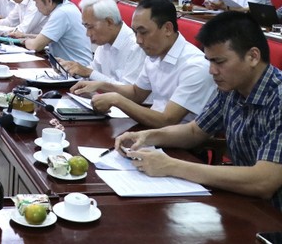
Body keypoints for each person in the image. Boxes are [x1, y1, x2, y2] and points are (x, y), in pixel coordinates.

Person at [115, 12, 282, 209]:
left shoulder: (277, 98)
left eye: (219, 62)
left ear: (253, 57)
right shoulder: (232, 88)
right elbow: (195, 131)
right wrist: (147, 136)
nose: (211, 70)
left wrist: (172, 166)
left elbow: (264, 182)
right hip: (246, 203)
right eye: (209, 61)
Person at [72, 0, 216, 127]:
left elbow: (166, 120)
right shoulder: (154, 55)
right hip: (150, 130)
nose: (138, 40)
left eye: (143, 32)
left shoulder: (195, 66)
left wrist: (116, 99)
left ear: (167, 28)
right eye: (135, 32)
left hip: (179, 145)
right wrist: (102, 85)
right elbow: (136, 93)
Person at [60, 0, 146, 84]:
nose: (87, 34)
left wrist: (88, 73)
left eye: (90, 27)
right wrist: (71, 69)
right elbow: (93, 72)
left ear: (109, 22)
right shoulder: (105, 42)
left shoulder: (136, 46)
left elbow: (129, 91)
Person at [23, 0, 92, 65]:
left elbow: (35, 46)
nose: (35, 6)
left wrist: (24, 41)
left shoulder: (62, 13)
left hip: (76, 73)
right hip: (66, 68)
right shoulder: (65, 7)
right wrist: (24, 35)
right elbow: (45, 37)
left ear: (49, 1)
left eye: (36, 1)